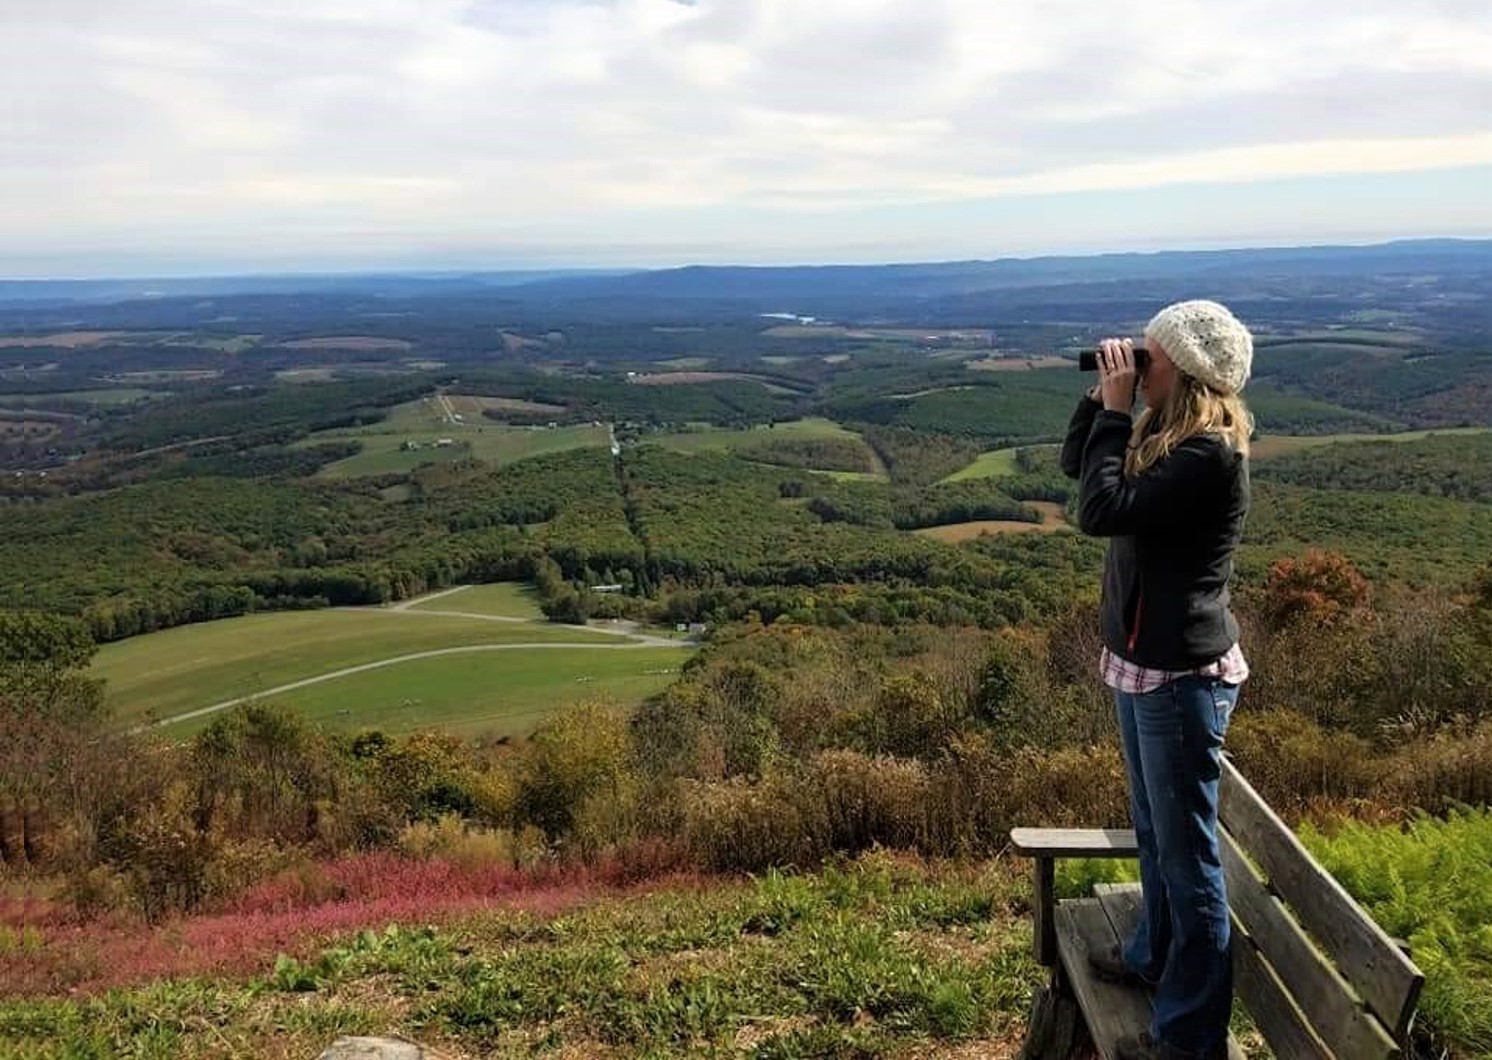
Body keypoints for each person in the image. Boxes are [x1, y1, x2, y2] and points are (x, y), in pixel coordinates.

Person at [1060, 300, 1254, 1060]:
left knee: (1187, 857)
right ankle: (1152, 957)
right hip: (1146, 666)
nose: (1138, 366)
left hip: (1178, 676)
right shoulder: (1165, 436)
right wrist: (1098, 403)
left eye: (1150, 356)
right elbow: (1081, 469)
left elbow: (1100, 511)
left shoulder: (1207, 455)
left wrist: (1115, 409)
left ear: (1185, 370)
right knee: (1154, 830)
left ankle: (1189, 1037)